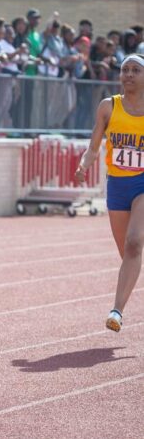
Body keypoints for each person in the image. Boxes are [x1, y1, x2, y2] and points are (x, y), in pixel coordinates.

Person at [75, 54, 144, 332]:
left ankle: (116, 311)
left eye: (135, 70)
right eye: (124, 70)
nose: (128, 75)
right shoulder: (108, 106)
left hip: (142, 182)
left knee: (134, 242)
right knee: (126, 251)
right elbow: (94, 146)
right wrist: (83, 165)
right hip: (117, 184)